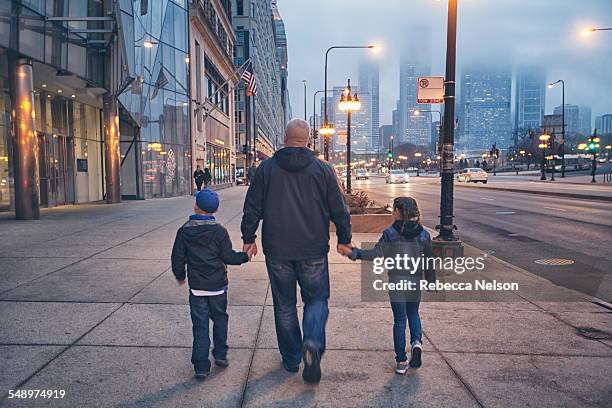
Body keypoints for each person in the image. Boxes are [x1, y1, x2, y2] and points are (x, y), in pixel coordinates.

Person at [241, 118, 352, 383]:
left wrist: (248, 238)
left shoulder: (266, 169)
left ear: (284, 138)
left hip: (277, 250)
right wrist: (344, 238)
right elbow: (340, 208)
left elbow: (252, 206)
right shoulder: (323, 170)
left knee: (285, 305)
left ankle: (291, 359)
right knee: (316, 300)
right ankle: (312, 342)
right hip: (312, 249)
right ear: (308, 140)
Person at [339, 197, 435, 374]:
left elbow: (375, 255)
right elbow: (429, 260)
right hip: (414, 282)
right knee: (413, 313)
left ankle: (401, 361)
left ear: (398, 212)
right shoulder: (424, 234)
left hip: (397, 281)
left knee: (399, 320)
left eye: (393, 210)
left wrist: (353, 253)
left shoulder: (390, 233)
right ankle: (416, 343)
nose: (392, 213)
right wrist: (431, 281)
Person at [171, 189, 250, 379]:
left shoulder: (184, 231)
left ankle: (201, 365)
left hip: (197, 289)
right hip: (217, 287)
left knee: (199, 326)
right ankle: (221, 354)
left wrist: (180, 275)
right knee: (220, 319)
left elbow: (177, 257)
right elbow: (228, 256)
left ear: (196, 206)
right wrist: (244, 256)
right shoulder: (219, 232)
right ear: (215, 210)